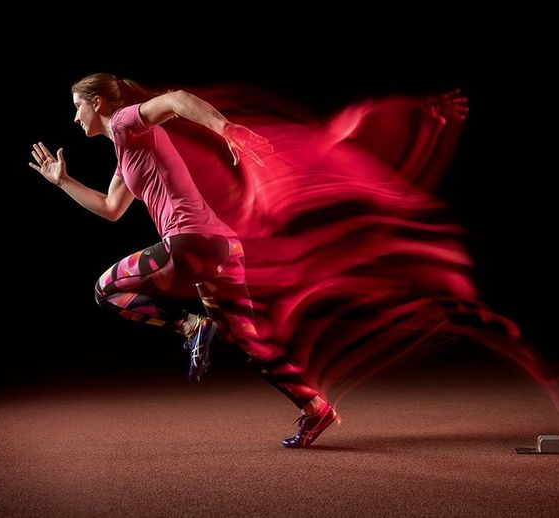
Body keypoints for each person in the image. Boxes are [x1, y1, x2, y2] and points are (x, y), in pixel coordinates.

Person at [29, 73, 337, 448]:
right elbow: (110, 208)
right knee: (245, 340)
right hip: (221, 246)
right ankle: (314, 407)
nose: (75, 118)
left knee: (105, 289)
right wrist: (63, 182)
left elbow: (176, 99)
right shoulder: (126, 154)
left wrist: (225, 129)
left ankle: (190, 326)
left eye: (77, 106)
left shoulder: (126, 122)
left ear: (97, 103)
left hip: (189, 244)